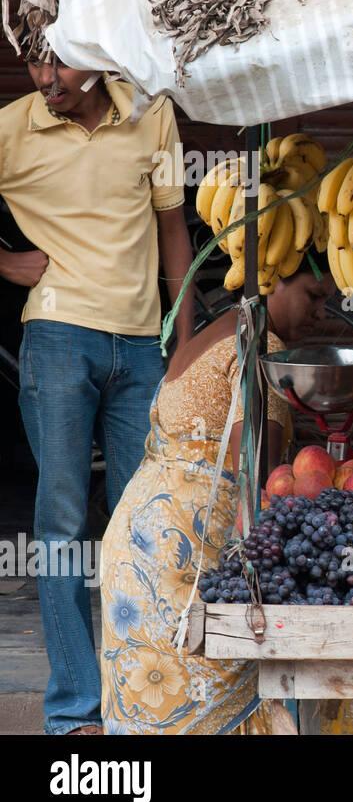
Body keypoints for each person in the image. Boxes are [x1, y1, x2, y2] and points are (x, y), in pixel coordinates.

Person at [0, 38, 195, 735]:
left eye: (62, 61)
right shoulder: (12, 128)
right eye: (33, 64)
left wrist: (181, 338)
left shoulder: (154, 115)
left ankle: (140, 698)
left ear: (98, 51)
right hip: (57, 342)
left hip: (141, 347)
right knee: (59, 524)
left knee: (143, 525)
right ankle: (74, 709)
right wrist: (7, 262)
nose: (47, 78)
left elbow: (173, 226)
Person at [99, 264, 333, 735]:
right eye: (313, 296)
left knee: (156, 709)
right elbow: (254, 479)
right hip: (177, 565)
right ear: (273, 280)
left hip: (135, 547)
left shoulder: (216, 330)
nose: (322, 315)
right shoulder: (260, 349)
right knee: (202, 701)